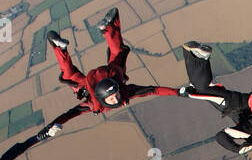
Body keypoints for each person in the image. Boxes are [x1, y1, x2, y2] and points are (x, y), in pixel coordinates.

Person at [42, 7, 181, 129]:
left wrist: (50, 128)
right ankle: (106, 28)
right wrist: (178, 92)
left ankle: (107, 28)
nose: (116, 99)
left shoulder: (95, 103)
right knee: (114, 54)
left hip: (103, 78)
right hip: (109, 75)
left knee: (72, 74)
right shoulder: (122, 93)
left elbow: (70, 114)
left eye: (113, 97)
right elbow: (153, 90)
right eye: (115, 97)